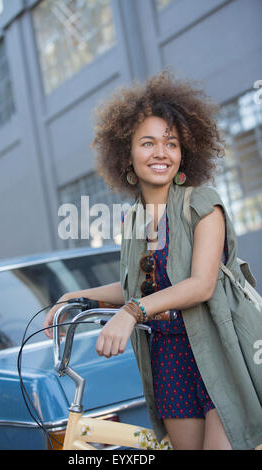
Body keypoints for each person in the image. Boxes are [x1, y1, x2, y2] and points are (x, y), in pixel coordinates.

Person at [43, 70, 262, 450]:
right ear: (126, 154)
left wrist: (131, 312)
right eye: (148, 143)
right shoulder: (133, 220)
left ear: (185, 152)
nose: (162, 153)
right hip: (169, 358)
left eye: (172, 143)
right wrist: (76, 296)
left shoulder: (202, 203)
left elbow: (200, 283)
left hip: (219, 349)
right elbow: (135, 287)